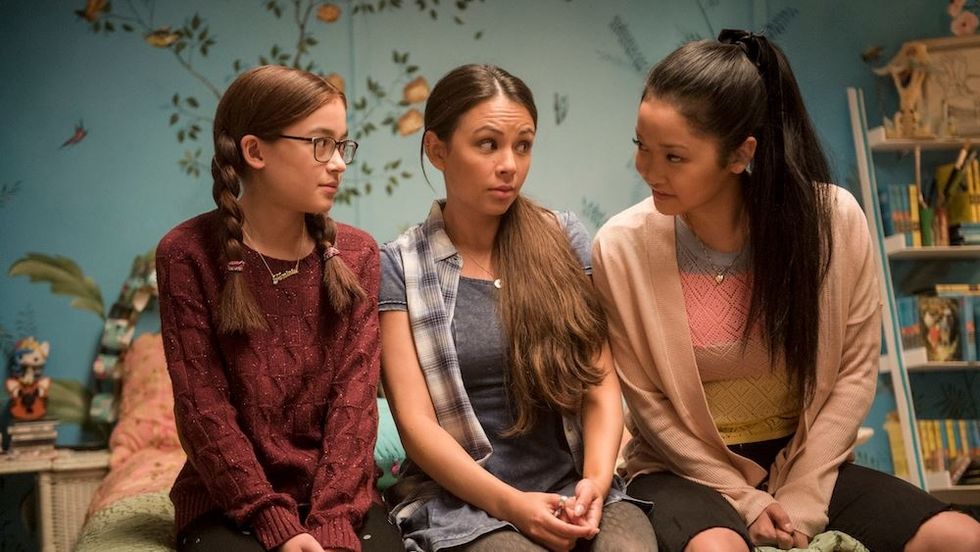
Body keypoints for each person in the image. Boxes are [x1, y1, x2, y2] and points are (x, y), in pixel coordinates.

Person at [591, 30, 980, 552]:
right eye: (641, 145)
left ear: (739, 154)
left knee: (961, 537)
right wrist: (745, 500)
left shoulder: (833, 221)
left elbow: (854, 374)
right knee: (718, 549)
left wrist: (801, 494)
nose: (648, 170)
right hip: (682, 471)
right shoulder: (621, 246)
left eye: (674, 157)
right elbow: (650, 408)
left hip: (805, 464)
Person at [378, 64, 656, 552]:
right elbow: (417, 426)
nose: (509, 164)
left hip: (575, 485)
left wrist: (594, 483)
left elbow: (599, 383)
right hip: (465, 502)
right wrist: (512, 506)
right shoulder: (399, 265)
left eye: (522, 146)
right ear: (437, 150)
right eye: (488, 144)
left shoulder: (561, 237)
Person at [156, 65, 400, 552]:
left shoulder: (358, 254)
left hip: (339, 499)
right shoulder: (186, 254)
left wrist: (332, 522)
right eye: (321, 143)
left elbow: (355, 406)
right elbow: (203, 410)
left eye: (342, 145)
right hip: (230, 503)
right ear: (255, 151)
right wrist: (274, 524)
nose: (339, 163)